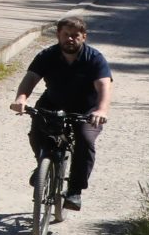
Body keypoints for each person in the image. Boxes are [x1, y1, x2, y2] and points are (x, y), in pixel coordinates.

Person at [10, 15, 113, 211]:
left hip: (87, 110)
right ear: (59, 35)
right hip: (53, 103)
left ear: (84, 37)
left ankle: (74, 190)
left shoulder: (94, 59)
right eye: (66, 34)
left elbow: (104, 87)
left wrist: (101, 110)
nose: (70, 39)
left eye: (75, 35)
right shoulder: (47, 55)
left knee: (85, 139)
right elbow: (30, 79)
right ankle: (43, 164)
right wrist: (21, 98)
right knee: (38, 130)